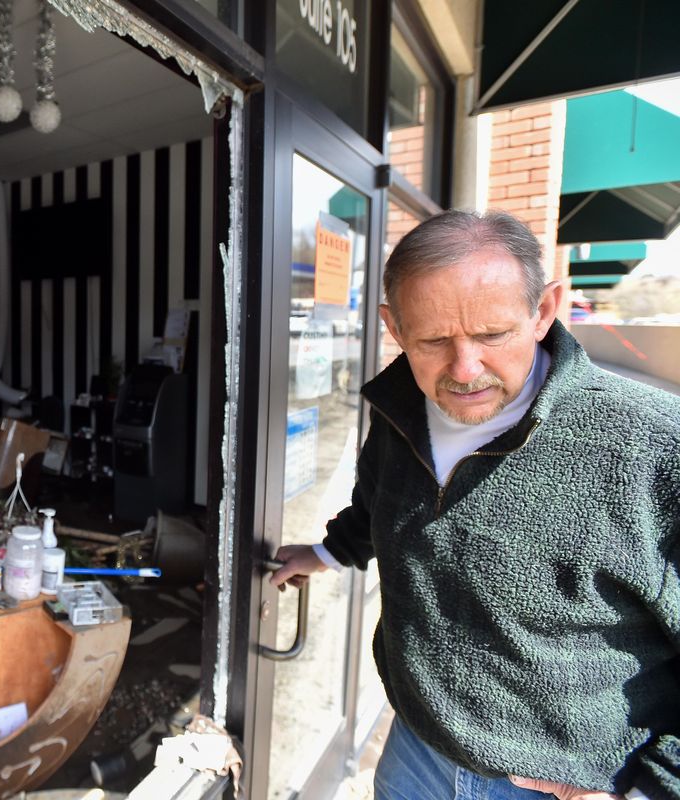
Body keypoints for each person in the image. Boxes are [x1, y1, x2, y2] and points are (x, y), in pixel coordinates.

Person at [269, 210, 679, 800]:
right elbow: (377, 505)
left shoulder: (656, 446)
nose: (464, 370)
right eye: (433, 340)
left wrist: (654, 791)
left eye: (492, 334)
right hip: (415, 751)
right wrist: (328, 553)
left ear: (543, 311)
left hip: (572, 784)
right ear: (394, 327)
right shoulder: (399, 411)